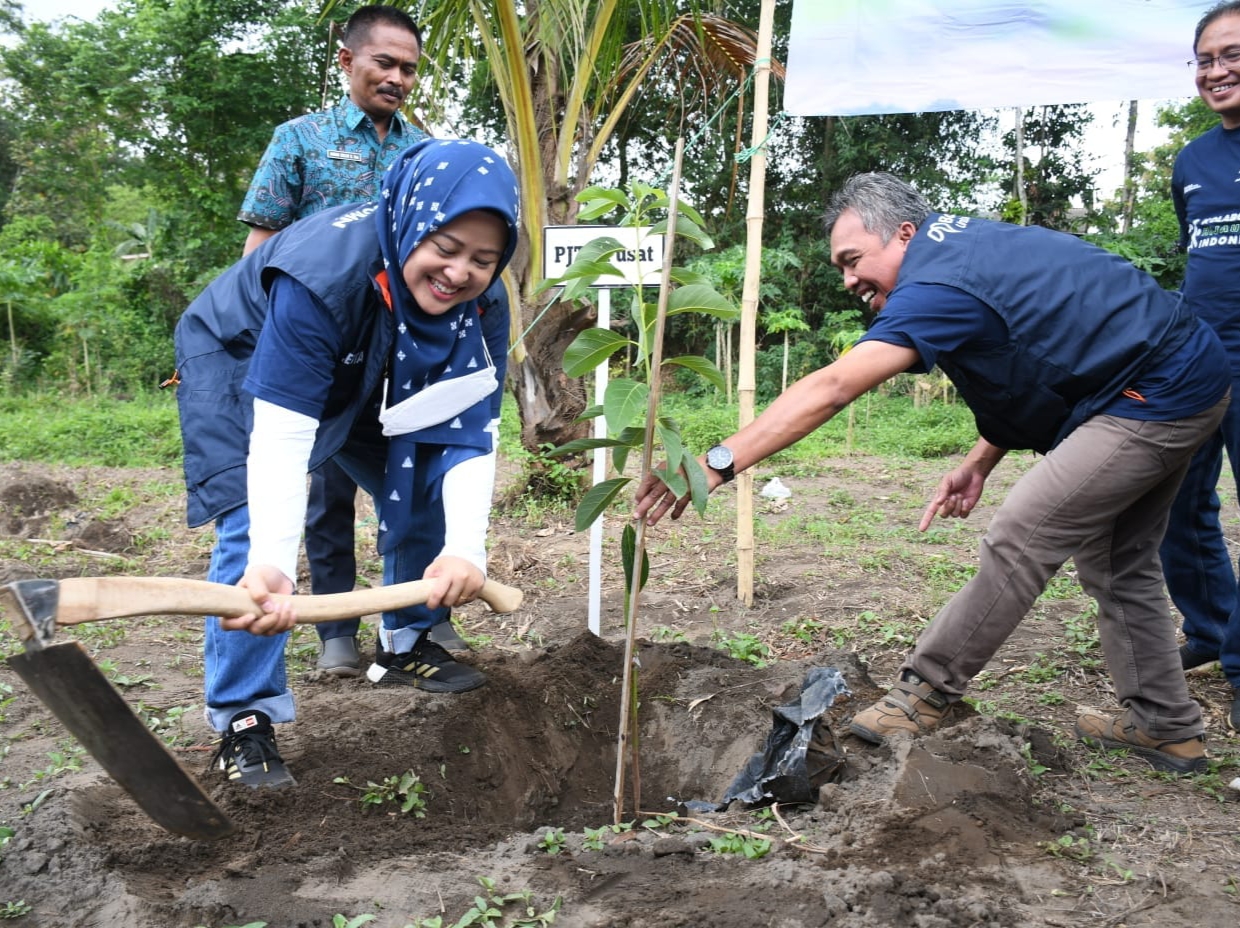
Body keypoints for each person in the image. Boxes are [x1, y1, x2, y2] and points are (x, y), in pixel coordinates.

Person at [635, 172, 1231, 776]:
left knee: (1021, 536)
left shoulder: (938, 283)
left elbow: (835, 385)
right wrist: (978, 460)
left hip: (1153, 393)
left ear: (903, 234)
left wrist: (715, 462)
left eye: (853, 259)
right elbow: (1032, 349)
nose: (848, 280)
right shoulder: (962, 251)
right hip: (1171, 374)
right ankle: (1164, 727)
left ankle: (926, 691)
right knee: (1115, 559)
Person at [175, 138, 519, 787]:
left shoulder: (482, 305)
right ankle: (244, 717)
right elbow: (282, 437)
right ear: (411, 220)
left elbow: (471, 427)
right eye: (445, 247)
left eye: (483, 258)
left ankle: (405, 643)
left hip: (368, 359)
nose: (459, 272)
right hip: (243, 355)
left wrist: (466, 548)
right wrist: (274, 566)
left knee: (421, 476)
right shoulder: (323, 273)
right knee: (253, 523)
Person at [238, 4, 465, 678]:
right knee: (325, 494)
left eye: (409, 70)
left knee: (411, 485)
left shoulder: (423, 152)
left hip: (401, 355)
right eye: (385, 64)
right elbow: (260, 248)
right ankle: (335, 629)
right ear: (347, 61)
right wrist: (262, 344)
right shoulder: (299, 141)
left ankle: (416, 626)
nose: (397, 78)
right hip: (319, 352)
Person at [1158, 0, 1240, 733]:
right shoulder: (1191, 160)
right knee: (1179, 508)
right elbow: (1198, 252)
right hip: (1199, 360)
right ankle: (1213, 631)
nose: (1218, 70)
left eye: (1232, 54)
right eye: (1207, 59)